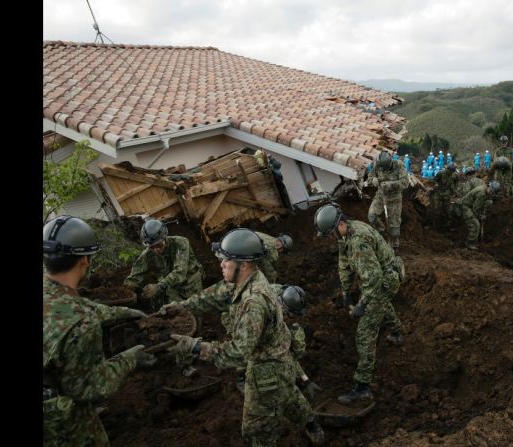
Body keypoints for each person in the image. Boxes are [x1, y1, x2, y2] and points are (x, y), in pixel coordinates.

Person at [162, 228, 324, 445]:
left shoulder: (254, 303)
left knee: (256, 431)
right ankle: (313, 426)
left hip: (266, 371)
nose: (221, 264)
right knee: (290, 396)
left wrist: (195, 347)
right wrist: (181, 307)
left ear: (244, 264)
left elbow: (238, 353)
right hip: (281, 360)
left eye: (226, 260)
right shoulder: (247, 278)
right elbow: (214, 296)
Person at [43, 216, 154, 446]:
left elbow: (72, 307)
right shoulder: (83, 324)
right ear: (84, 260)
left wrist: (124, 312)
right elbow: (89, 387)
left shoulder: (53, 294)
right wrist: (130, 358)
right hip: (56, 424)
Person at [313, 204, 404, 405]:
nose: (331, 237)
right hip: (378, 278)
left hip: (385, 279)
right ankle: (397, 332)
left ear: (341, 224)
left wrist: (362, 304)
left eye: (331, 233)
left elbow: (374, 278)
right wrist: (346, 292)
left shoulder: (357, 241)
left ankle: (362, 388)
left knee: (364, 334)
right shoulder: (345, 233)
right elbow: (344, 263)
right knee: (380, 304)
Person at [124, 219, 204, 306]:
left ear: (165, 237)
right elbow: (135, 276)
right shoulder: (147, 254)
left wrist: (159, 286)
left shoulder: (181, 243)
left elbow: (180, 272)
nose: (156, 250)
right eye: (152, 247)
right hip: (171, 288)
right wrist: (126, 291)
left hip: (190, 283)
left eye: (159, 245)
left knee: (195, 308)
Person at [367, 150, 410, 250]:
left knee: (394, 228)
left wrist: (390, 185)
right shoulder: (377, 165)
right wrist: (373, 180)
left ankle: (394, 245)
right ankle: (383, 233)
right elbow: (370, 177)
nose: (384, 169)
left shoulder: (399, 165)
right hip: (380, 196)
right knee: (372, 216)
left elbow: (405, 183)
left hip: (394, 198)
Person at [457, 181, 500, 249]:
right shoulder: (481, 193)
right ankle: (470, 243)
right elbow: (476, 209)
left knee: (489, 202)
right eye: (491, 191)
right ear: (489, 186)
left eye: (493, 193)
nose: (491, 193)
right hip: (465, 206)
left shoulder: (485, 190)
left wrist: (483, 212)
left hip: (471, 205)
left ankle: (475, 239)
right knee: (476, 224)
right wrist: (480, 216)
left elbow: (483, 203)